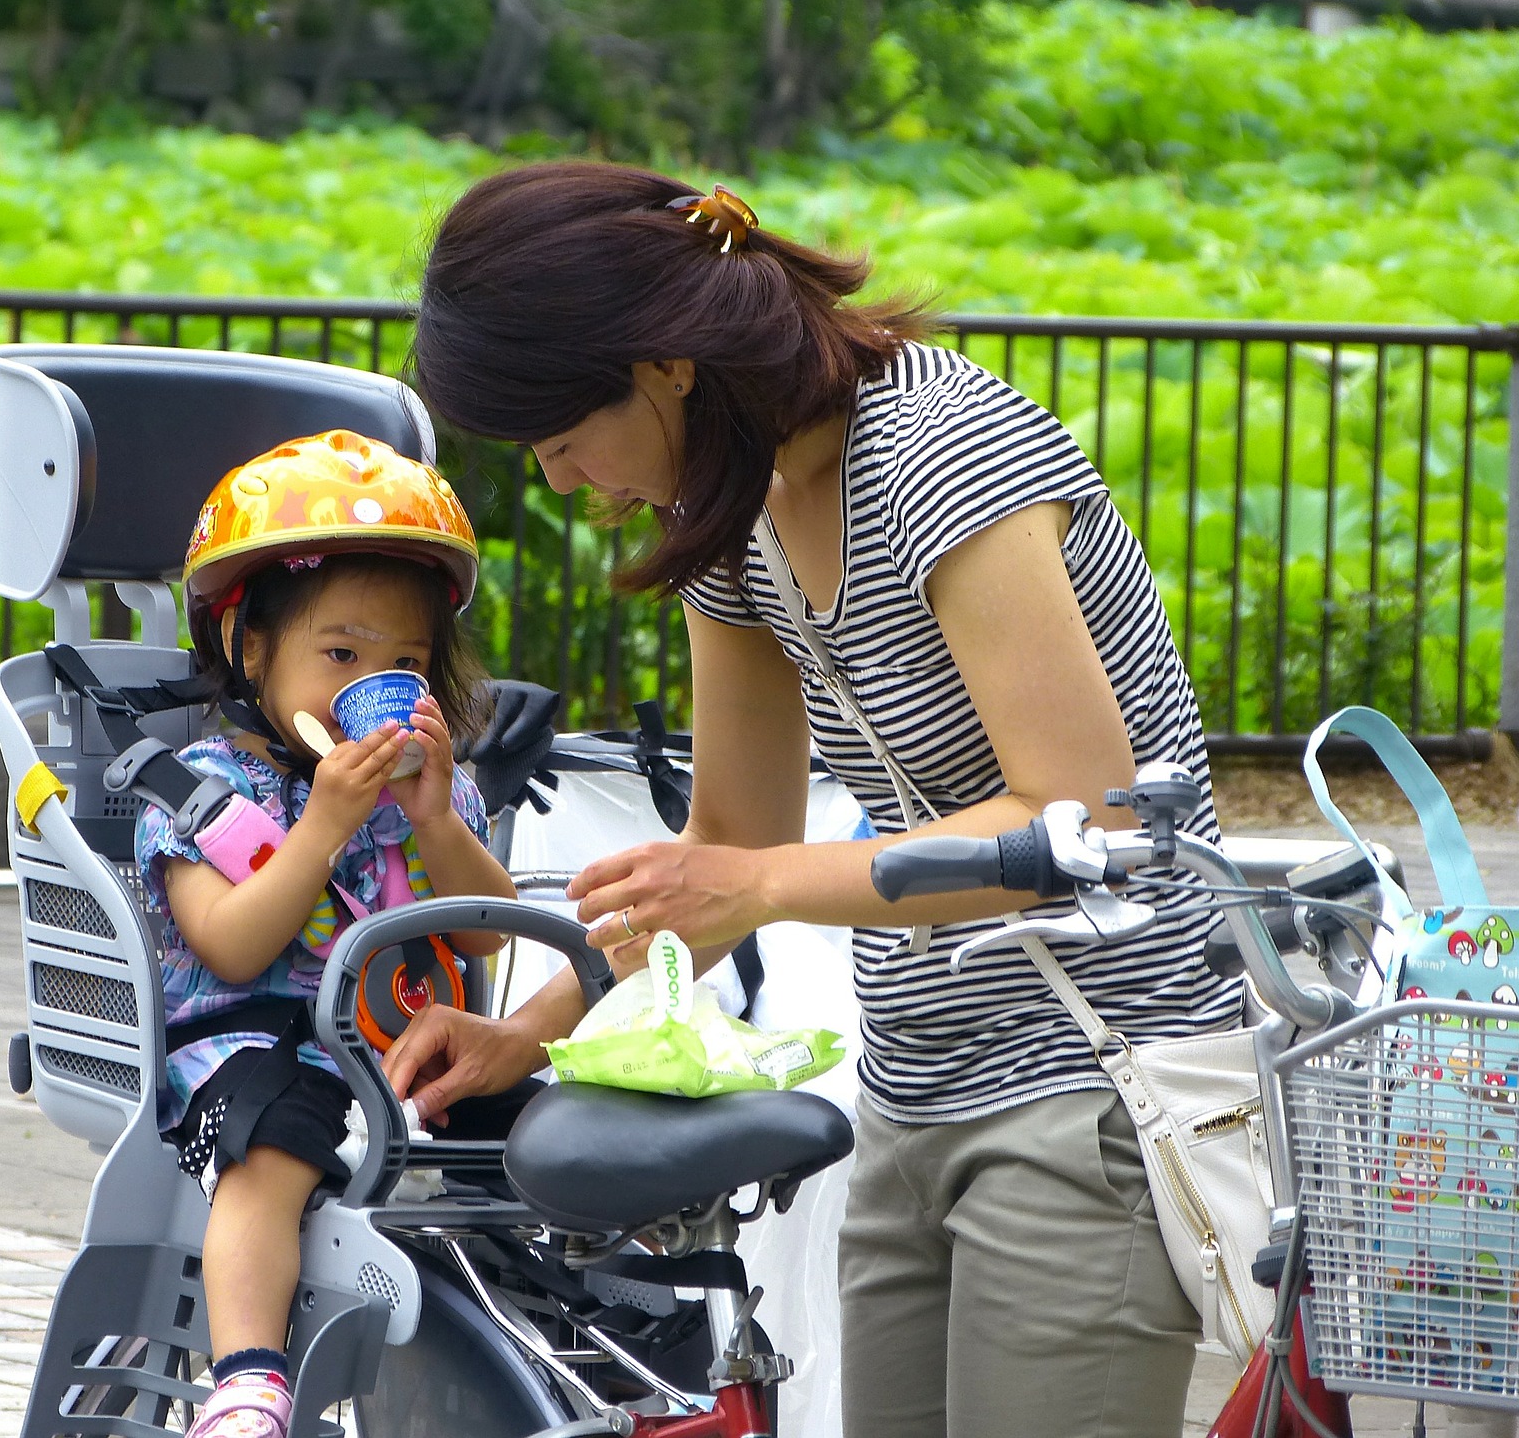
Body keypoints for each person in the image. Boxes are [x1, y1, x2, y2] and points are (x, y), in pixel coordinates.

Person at [386, 162, 1238, 1438]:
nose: (561, 481)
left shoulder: (940, 451)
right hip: (912, 1086)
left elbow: (1087, 819)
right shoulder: (730, 513)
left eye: (561, 439)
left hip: (1096, 1079)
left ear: (666, 362)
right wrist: (535, 1030)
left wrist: (759, 882)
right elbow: (729, 843)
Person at [135, 431, 516, 1438]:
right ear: (251, 647)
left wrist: (436, 822)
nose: (374, 683)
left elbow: (483, 937)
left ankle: (541, 1350)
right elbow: (229, 945)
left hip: (403, 1047)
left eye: (406, 663)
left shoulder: (433, 793)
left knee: (530, 1123)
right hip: (257, 1042)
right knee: (273, 1151)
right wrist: (319, 829)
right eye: (341, 655)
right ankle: (249, 1378)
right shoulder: (210, 792)